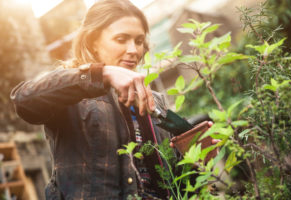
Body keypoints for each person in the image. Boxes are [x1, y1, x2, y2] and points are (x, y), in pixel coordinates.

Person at [10, 0, 217, 199]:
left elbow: (180, 185)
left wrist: (197, 158)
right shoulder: (73, 92)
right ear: (93, 42)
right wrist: (102, 75)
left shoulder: (156, 103)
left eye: (138, 41)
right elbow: (24, 100)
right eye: (121, 39)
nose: (133, 50)